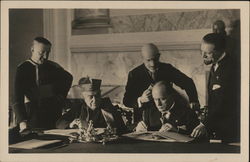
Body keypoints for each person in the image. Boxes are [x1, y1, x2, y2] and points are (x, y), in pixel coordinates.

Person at [123, 43, 200, 122]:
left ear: (159, 56)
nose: (152, 64)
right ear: (142, 58)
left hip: (168, 117)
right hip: (144, 120)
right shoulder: (134, 74)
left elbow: (188, 82)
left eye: (155, 59)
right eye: (148, 60)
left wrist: (193, 100)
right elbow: (126, 101)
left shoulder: (167, 69)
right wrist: (141, 100)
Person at [13, 37, 73, 133]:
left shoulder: (53, 67)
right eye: (41, 53)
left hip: (52, 115)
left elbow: (68, 78)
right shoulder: (22, 68)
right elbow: (17, 98)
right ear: (32, 50)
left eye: (48, 53)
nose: (45, 56)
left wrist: (56, 95)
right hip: (32, 116)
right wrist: (22, 122)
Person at [191, 33, 240, 143]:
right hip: (217, 125)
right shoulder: (215, 64)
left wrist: (205, 124)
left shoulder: (231, 69)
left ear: (220, 51)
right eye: (201, 51)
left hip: (228, 129)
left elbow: (223, 103)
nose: (203, 56)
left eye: (208, 53)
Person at [56, 77, 127, 135]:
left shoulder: (108, 107)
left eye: (97, 96)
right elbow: (59, 123)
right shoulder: (79, 108)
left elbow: (122, 128)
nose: (95, 100)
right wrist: (71, 124)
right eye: (90, 97)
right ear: (84, 97)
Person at [135, 81, 200, 135]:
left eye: (163, 99)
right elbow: (141, 129)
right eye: (155, 99)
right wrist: (139, 129)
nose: (158, 104)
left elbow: (195, 134)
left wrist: (177, 131)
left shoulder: (187, 113)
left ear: (172, 96)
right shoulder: (148, 112)